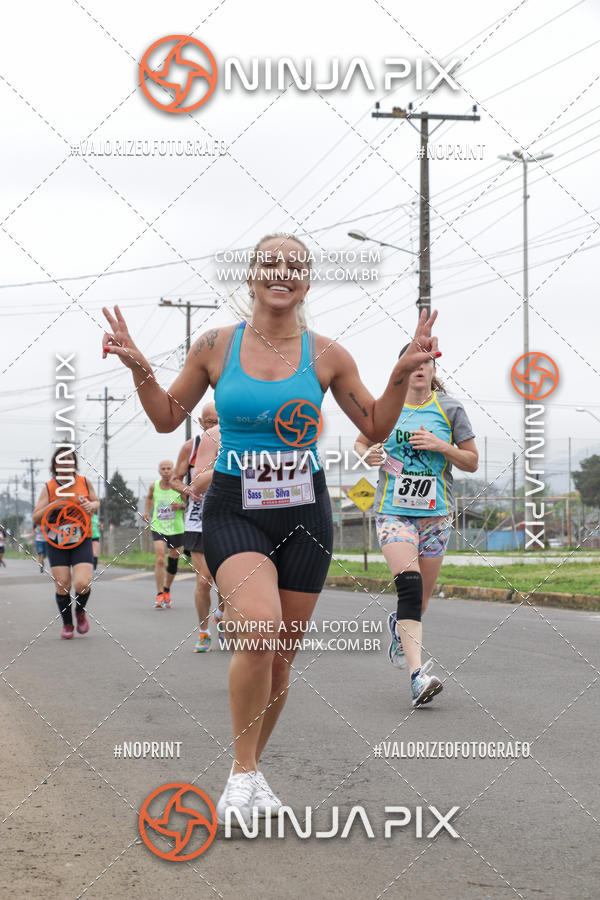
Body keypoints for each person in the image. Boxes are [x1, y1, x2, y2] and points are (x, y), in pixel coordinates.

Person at [102, 231, 440, 826]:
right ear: (252, 277)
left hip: (305, 510)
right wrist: (139, 368)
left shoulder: (329, 354)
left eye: (294, 266)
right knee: (258, 632)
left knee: (281, 659)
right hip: (235, 507)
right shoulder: (214, 345)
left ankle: (253, 771)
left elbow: (376, 423)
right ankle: (240, 772)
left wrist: (398, 375)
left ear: (306, 282)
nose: (281, 273)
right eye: (270, 264)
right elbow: (164, 417)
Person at [355, 345, 478, 707]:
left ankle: (399, 627)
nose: (422, 368)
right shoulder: (385, 407)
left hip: (436, 514)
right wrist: (368, 453)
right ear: (403, 368)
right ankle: (416, 676)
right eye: (415, 362)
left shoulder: (451, 408)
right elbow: (362, 442)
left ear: (433, 367)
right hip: (394, 512)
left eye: (428, 362)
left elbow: (471, 461)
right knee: (409, 589)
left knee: (419, 602)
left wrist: (443, 446)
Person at [170, 403, 224, 652]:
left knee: (227, 582)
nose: (214, 426)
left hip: (228, 518)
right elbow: (174, 480)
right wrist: (188, 489)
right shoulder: (190, 447)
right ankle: (203, 632)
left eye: (218, 421)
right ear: (201, 423)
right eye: (210, 422)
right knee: (204, 580)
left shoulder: (233, 442)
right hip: (198, 520)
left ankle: (221, 617)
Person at [32, 448, 99, 639]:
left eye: (69, 459)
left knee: (82, 584)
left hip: (81, 539)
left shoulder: (84, 482)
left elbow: (96, 503)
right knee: (62, 585)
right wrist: (53, 506)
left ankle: (80, 611)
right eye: (61, 460)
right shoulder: (49, 487)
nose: (65, 463)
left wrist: (91, 505)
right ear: (55, 465)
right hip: (57, 542)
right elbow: (36, 517)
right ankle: (68, 624)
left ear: (74, 463)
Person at [143, 461, 186, 609]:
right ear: (159, 471)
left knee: (173, 561)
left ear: (173, 470)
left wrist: (180, 506)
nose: (166, 471)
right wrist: (147, 511)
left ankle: (167, 589)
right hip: (158, 527)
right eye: (163, 469)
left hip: (177, 528)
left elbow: (187, 504)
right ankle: (159, 593)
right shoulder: (154, 486)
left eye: (169, 468)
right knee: (160, 558)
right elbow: (149, 498)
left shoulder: (180, 486)